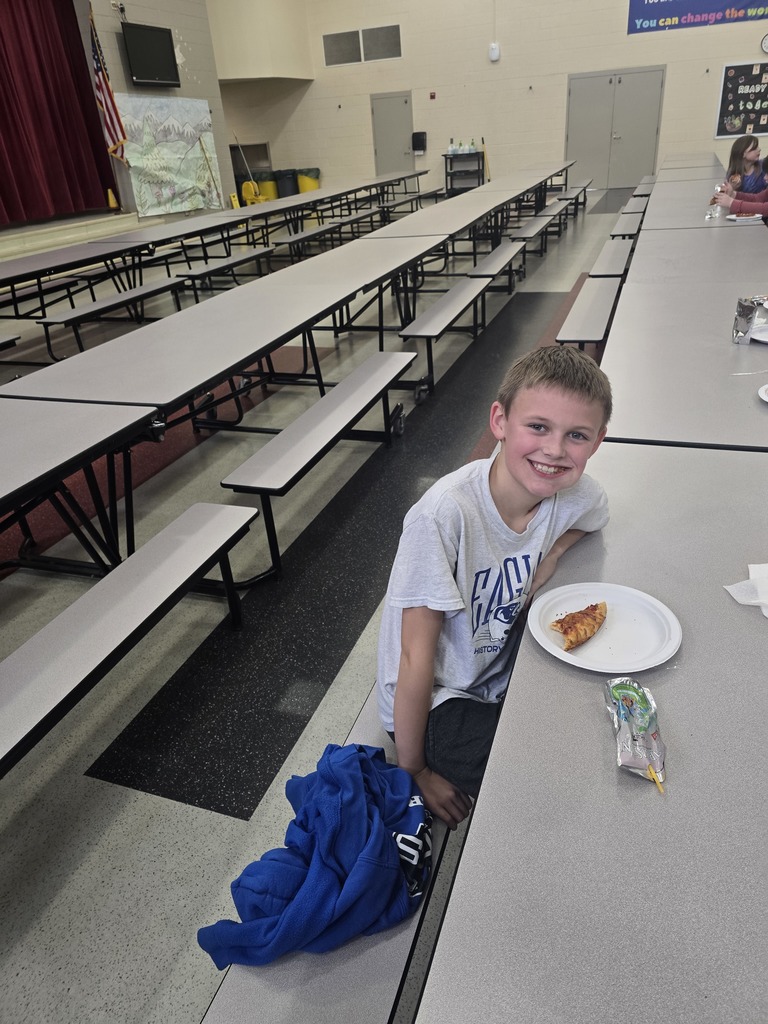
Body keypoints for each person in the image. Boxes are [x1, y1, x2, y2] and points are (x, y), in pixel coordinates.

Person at [376, 346, 612, 829]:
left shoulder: (575, 494)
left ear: (598, 442)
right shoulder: (444, 515)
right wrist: (414, 769)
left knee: (592, 731)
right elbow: (414, 659)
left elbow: (592, 518)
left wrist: (551, 557)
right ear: (500, 421)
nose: (554, 450)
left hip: (498, 675)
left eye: (577, 436)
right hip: (440, 700)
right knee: (555, 780)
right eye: (538, 427)